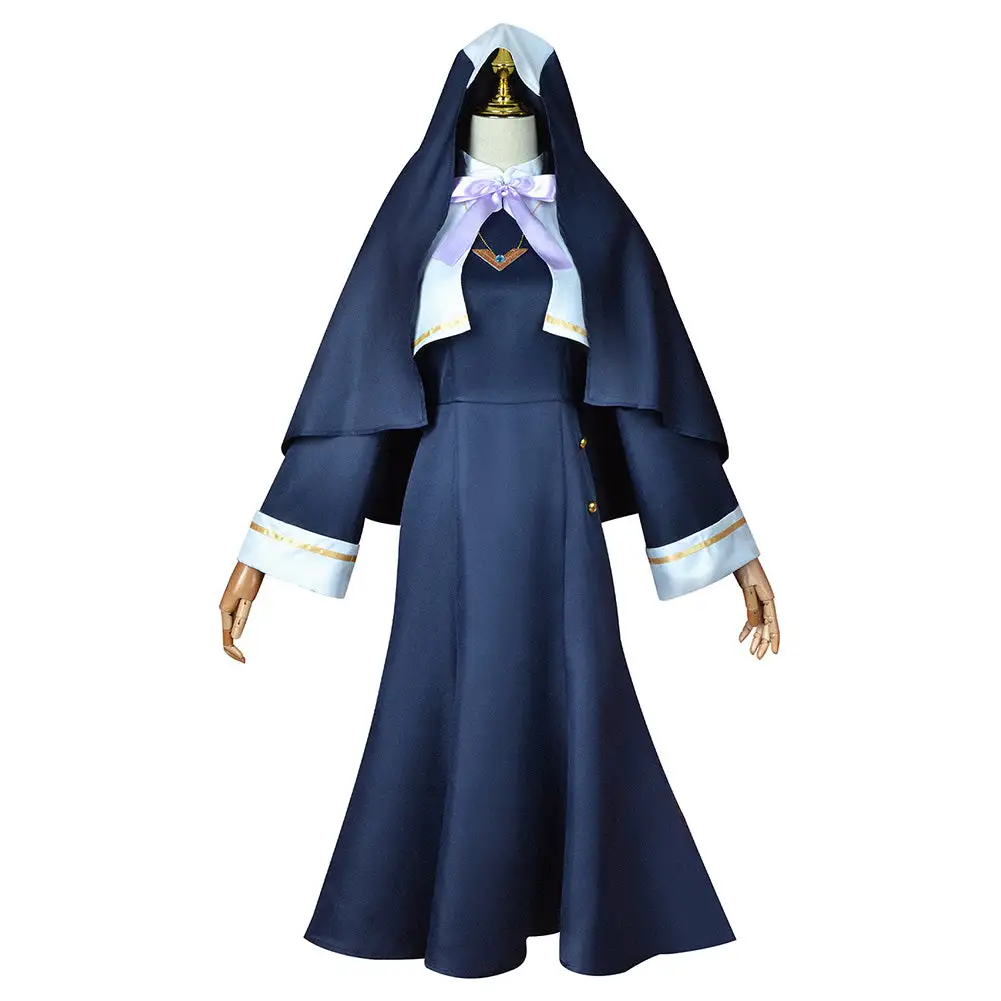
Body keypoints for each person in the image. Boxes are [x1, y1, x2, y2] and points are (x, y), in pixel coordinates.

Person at [219, 23, 780, 979]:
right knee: (438, 682)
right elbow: (355, 394)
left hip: (560, 489)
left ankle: (590, 911)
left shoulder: (598, 226)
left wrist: (731, 549)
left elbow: (646, 397)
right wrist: (266, 549)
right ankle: (438, 912)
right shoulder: (412, 225)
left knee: (575, 684)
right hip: (447, 488)